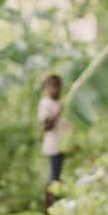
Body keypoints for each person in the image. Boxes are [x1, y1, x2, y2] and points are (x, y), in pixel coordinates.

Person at [37, 73, 68, 206]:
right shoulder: (46, 103)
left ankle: (54, 205)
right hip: (53, 146)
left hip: (62, 145)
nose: (56, 90)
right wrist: (58, 112)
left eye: (58, 87)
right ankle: (50, 206)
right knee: (54, 178)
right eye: (53, 87)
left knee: (57, 177)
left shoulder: (60, 103)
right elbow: (46, 126)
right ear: (47, 88)